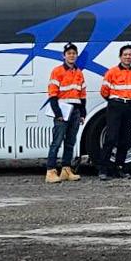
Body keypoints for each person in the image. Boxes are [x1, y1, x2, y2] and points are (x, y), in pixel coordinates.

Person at [98, 44, 131, 181]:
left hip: (130, 106)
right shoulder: (112, 72)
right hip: (115, 106)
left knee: (125, 139)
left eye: (130, 55)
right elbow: (104, 91)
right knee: (111, 138)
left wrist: (129, 102)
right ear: (120, 56)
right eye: (125, 54)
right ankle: (103, 169)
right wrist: (114, 101)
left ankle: (120, 168)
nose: (128, 57)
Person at [44, 43, 86, 183]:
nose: (71, 55)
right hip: (62, 112)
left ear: (77, 55)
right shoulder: (57, 71)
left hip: (75, 111)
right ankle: (50, 171)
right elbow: (52, 94)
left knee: (70, 142)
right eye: (69, 53)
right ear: (64, 56)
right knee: (56, 142)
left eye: (74, 53)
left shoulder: (79, 73)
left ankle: (66, 170)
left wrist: (82, 113)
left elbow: (82, 95)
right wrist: (58, 113)